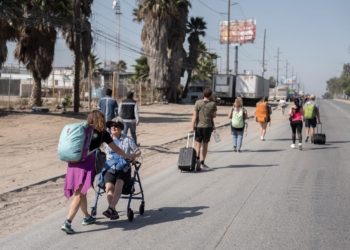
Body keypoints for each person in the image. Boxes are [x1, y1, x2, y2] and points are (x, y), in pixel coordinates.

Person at [61, 110, 134, 234]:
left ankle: (86, 217)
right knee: (79, 193)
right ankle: (67, 222)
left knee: (81, 191)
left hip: (73, 163)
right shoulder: (102, 133)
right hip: (86, 164)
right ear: (102, 120)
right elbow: (115, 148)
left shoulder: (83, 129)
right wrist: (128, 156)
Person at [101, 117, 141, 220]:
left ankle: (111, 209)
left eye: (116, 126)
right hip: (110, 167)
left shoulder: (127, 140)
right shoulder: (106, 139)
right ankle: (112, 210)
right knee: (109, 187)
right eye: (111, 126)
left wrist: (133, 156)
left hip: (123, 168)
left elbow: (138, 151)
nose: (113, 127)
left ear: (121, 128)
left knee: (119, 183)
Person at [190, 88, 217, 171]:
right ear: (210, 95)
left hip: (198, 126)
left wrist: (192, 127)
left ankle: (197, 159)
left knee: (198, 145)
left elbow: (194, 115)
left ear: (203, 94)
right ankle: (202, 162)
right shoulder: (213, 104)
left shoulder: (198, 102)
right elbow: (214, 116)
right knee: (205, 145)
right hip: (207, 127)